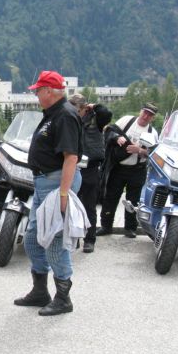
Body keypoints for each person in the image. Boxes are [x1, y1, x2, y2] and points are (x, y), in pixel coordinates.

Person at [14, 70, 82, 316]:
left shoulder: (64, 115)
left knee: (54, 240)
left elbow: (71, 157)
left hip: (56, 184)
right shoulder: (53, 114)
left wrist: (63, 195)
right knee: (32, 238)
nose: (36, 94)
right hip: (44, 182)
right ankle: (40, 291)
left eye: (39, 90)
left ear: (50, 92)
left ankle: (63, 298)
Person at [96, 102, 159, 238]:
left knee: (133, 200)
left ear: (153, 118)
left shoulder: (152, 133)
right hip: (118, 167)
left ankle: (130, 228)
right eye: (145, 112)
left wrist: (140, 150)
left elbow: (154, 154)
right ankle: (106, 226)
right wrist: (117, 137)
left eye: (150, 115)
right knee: (110, 198)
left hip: (137, 170)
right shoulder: (126, 120)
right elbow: (109, 130)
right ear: (140, 111)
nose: (146, 116)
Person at [68, 94, 112, 253]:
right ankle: (74, 237)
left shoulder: (96, 118)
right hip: (72, 165)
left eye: (78, 109)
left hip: (91, 167)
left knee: (88, 207)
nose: (75, 111)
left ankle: (89, 239)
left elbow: (107, 115)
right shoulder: (70, 118)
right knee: (71, 205)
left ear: (85, 108)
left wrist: (96, 107)